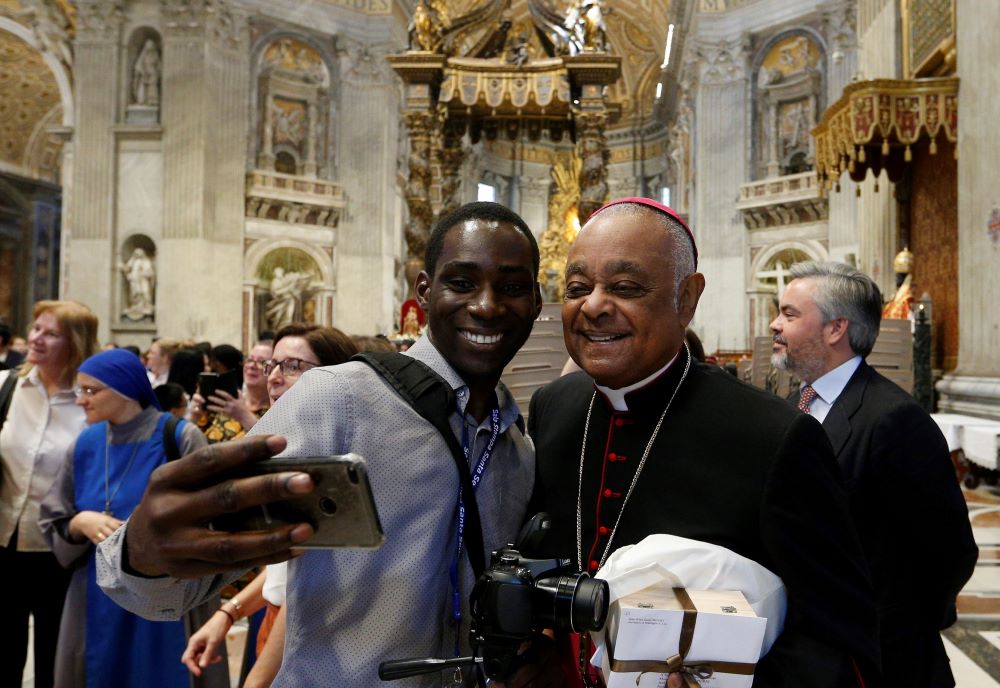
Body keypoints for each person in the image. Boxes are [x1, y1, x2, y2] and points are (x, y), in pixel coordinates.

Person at [97, 201, 543, 687]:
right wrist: (142, 549)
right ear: (423, 292)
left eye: (514, 287)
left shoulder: (517, 449)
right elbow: (176, 582)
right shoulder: (340, 398)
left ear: (537, 302)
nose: (487, 305)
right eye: (461, 282)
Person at [527, 198, 879, 687]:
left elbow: (838, 632)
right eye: (578, 287)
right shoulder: (553, 408)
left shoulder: (774, 435)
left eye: (625, 287)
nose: (593, 306)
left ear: (687, 299)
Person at [770, 261, 977, 688]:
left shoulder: (895, 419)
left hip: (881, 658)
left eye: (789, 314)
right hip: (803, 651)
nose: (775, 325)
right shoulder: (793, 405)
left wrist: (898, 621)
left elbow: (949, 548)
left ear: (835, 329)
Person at [182, 324, 358, 688]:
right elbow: (287, 567)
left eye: (292, 366)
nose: (274, 378)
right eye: (271, 366)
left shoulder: (334, 463)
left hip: (312, 640)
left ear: (334, 376)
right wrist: (229, 613)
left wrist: (256, 681)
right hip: (277, 627)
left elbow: (308, 588)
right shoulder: (293, 450)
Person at [39, 348, 208, 688]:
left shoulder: (178, 437)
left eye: (90, 390)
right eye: (79, 390)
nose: (81, 400)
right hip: (96, 591)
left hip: (166, 590)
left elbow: (211, 516)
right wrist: (80, 523)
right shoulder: (85, 443)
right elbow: (56, 516)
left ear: (124, 389)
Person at [0, 300, 99, 688]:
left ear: (75, 343)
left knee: (55, 660)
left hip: (61, 550)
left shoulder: (89, 402)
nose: (37, 338)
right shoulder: (7, 385)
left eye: (51, 333)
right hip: (3, 542)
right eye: (36, 328)